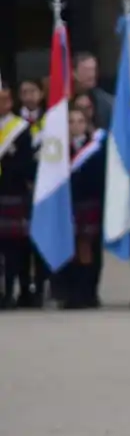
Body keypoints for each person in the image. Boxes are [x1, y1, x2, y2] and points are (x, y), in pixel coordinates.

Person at [62, 100, 106, 309]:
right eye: (71, 121)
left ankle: (87, 293)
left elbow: (100, 177)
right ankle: (71, 292)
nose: (75, 125)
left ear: (87, 124)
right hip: (67, 203)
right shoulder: (60, 148)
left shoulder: (95, 148)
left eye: (80, 121)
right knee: (70, 248)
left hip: (89, 202)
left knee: (86, 247)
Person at [0, 83, 37, 309]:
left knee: (14, 248)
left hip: (12, 194)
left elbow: (26, 164)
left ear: (11, 102)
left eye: (4, 100)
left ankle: (14, 291)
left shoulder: (21, 129)